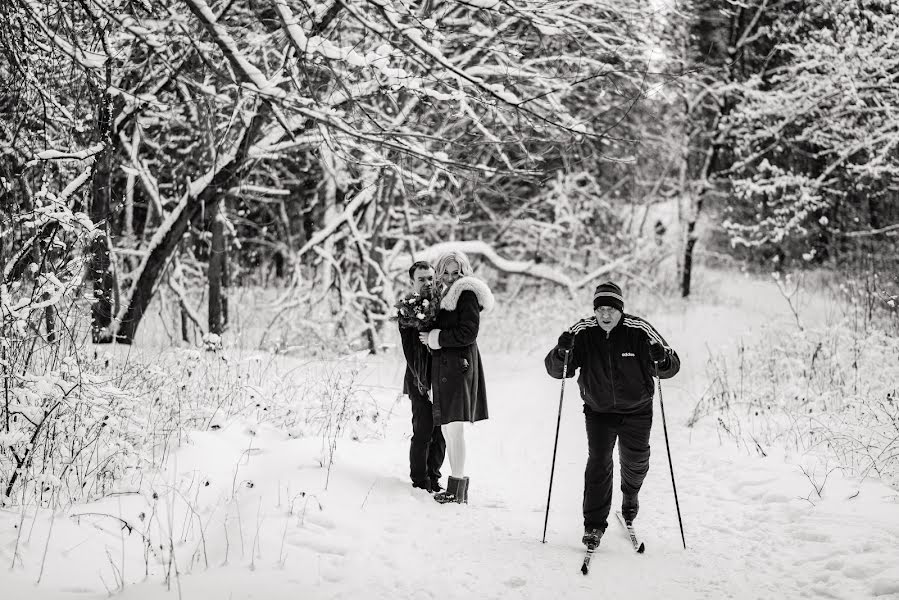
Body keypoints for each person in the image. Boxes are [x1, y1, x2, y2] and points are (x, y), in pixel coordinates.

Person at [544, 281, 680, 548]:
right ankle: (593, 525)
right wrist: (562, 352)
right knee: (599, 462)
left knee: (636, 461)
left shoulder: (639, 331)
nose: (606, 315)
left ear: (621, 310)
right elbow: (557, 370)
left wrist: (661, 358)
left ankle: (630, 496)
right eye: (601, 309)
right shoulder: (583, 331)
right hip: (599, 411)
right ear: (595, 310)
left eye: (612, 310)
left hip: (637, 410)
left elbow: (671, 366)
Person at [418, 250, 493, 504]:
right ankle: (456, 489)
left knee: (454, 429)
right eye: (446, 272)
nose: (451, 277)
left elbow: (468, 332)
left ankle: (457, 488)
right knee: (449, 430)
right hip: (445, 368)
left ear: (464, 272)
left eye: (456, 272)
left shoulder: (466, 293)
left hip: (459, 368)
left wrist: (435, 338)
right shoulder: (442, 295)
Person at [398, 261, 446, 493]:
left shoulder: (445, 305)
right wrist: (424, 384)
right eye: (421, 279)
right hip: (419, 379)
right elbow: (411, 353)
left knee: (441, 432)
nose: (427, 283)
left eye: (430, 278)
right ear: (412, 282)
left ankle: (434, 476)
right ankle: (420, 480)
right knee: (423, 430)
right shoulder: (407, 311)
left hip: (444, 378)